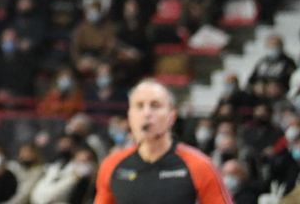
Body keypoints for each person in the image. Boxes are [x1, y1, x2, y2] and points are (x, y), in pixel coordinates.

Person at [94, 79, 231, 203]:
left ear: (172, 116)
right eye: (139, 106)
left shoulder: (199, 165)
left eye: (155, 105)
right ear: (130, 116)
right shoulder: (111, 165)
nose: (147, 113)